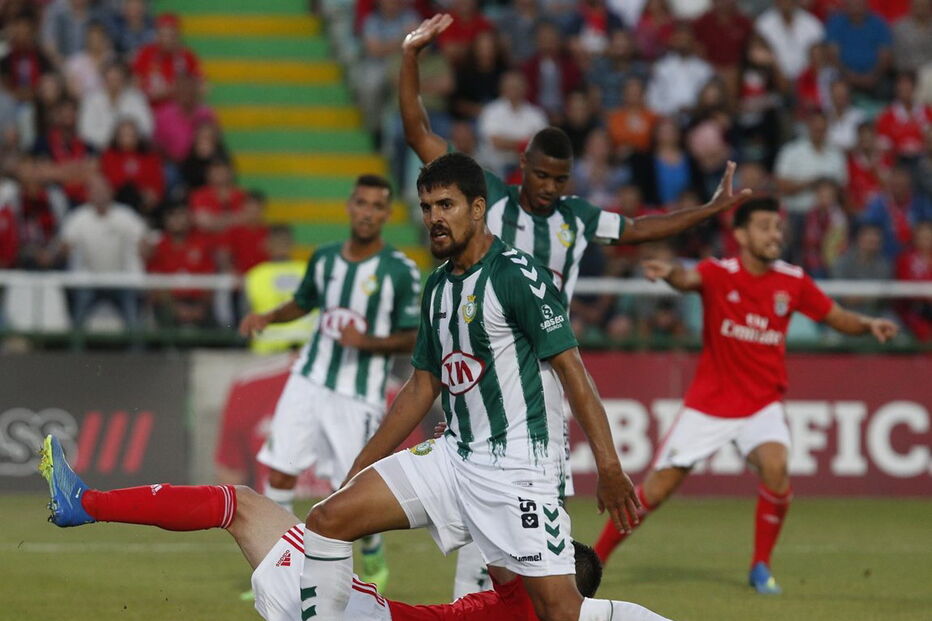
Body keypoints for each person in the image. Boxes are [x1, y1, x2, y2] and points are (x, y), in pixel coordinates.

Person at [401, 13, 752, 598]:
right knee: (476, 492)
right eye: (541, 175)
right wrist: (411, 57)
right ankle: (479, 603)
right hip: (488, 360)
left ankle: (526, 599)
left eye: (560, 179)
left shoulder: (578, 219)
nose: (550, 188)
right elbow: (420, 135)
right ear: (522, 171)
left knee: (536, 500)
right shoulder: (489, 201)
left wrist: (712, 210)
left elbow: (642, 227)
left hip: (545, 372)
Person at [296, 152, 669, 621]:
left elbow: (574, 372)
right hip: (455, 456)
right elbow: (421, 387)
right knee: (327, 519)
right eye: (427, 207)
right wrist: (358, 469)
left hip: (519, 468)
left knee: (559, 610)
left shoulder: (517, 275)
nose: (433, 218)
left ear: (477, 208)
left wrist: (610, 468)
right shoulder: (437, 285)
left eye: (445, 205)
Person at [592, 197, 899, 594]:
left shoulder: (793, 280)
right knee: (657, 489)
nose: (775, 234)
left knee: (777, 467)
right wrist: (668, 271)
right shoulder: (719, 273)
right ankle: (595, 560)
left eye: (778, 226)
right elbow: (686, 280)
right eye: (765, 226)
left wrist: (869, 323)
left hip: (761, 404)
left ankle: (760, 567)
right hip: (710, 404)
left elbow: (835, 316)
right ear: (740, 234)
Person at [38, 434, 662, 621]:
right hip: (361, 606)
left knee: (240, 503)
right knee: (248, 506)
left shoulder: (542, 595)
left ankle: (84, 502)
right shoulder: (544, 603)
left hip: (351, 611)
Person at [238, 174, 421, 590]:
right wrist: (268, 317)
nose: (368, 213)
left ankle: (371, 550)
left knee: (353, 491)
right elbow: (302, 303)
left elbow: (415, 334)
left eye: (378, 206)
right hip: (309, 377)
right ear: (349, 206)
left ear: (387, 214)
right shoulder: (323, 260)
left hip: (357, 395)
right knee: (280, 473)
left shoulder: (400, 271)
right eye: (362, 203)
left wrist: (367, 341)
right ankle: (277, 573)